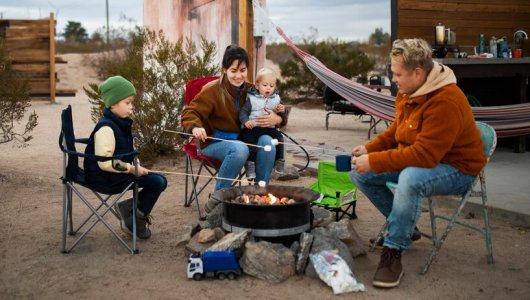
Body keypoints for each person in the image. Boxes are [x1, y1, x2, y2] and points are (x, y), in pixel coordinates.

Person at [348, 38, 486, 288]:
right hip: (424, 160)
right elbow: (396, 132)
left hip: (457, 168)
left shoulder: (446, 100)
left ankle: (393, 252)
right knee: (359, 173)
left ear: (418, 72)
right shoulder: (408, 92)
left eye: (398, 74)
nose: (394, 79)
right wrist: (369, 149)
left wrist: (375, 161)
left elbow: (425, 156)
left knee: (410, 178)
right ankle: (404, 228)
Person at [181, 45, 286, 201]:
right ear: (224, 69)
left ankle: (260, 194)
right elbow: (190, 112)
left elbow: (279, 111)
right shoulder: (212, 90)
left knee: (267, 141)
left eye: (242, 70)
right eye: (233, 70)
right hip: (213, 142)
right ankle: (217, 200)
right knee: (240, 149)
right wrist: (195, 127)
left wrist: (278, 119)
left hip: (245, 139)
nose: (238, 76)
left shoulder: (254, 90)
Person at [84, 75, 167, 240]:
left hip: (115, 174)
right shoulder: (106, 128)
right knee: (156, 182)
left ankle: (129, 209)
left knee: (160, 181)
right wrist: (131, 169)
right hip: (104, 177)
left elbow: (126, 150)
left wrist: (135, 164)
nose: (131, 107)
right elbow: (105, 162)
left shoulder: (121, 123)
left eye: (131, 102)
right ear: (113, 103)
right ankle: (134, 219)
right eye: (127, 103)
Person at [239, 67, 286, 179]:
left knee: (279, 139)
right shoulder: (252, 99)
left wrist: (282, 110)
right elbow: (243, 112)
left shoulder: (276, 98)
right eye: (265, 85)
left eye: (271, 85)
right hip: (254, 128)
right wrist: (246, 121)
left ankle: (279, 161)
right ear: (257, 85)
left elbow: (283, 113)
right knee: (250, 143)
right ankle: (250, 165)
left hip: (270, 128)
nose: (268, 88)